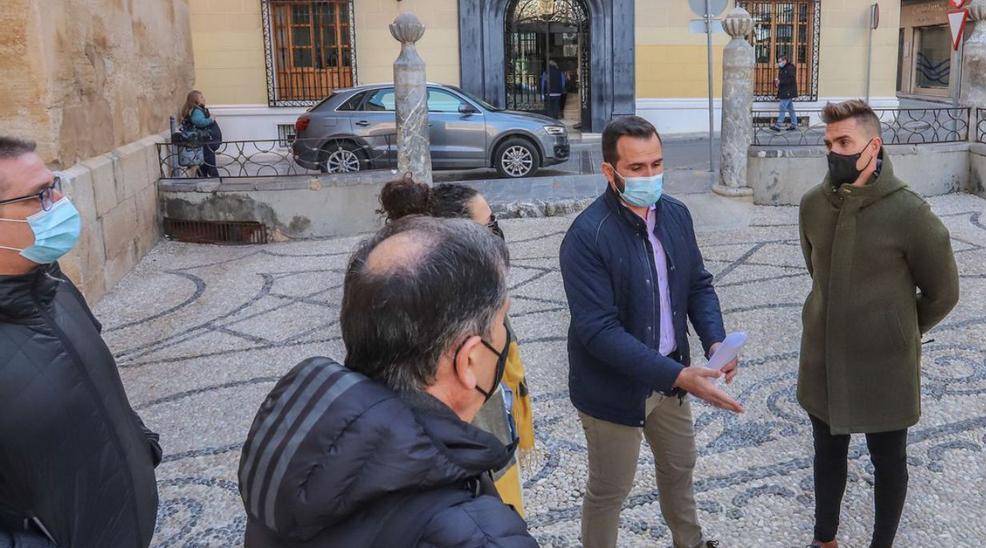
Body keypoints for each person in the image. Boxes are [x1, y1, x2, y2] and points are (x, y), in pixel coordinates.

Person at [238, 215, 537, 547]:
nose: (505, 337)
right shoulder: (478, 536)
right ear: (468, 359)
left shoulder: (297, 443)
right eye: (500, 320)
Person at [560, 115, 742, 548]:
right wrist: (679, 376)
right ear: (610, 172)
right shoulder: (587, 236)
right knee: (610, 490)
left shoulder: (676, 214)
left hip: (670, 379)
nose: (650, 176)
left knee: (680, 468)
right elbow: (597, 330)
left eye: (656, 164)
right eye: (637, 168)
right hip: (612, 389)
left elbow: (697, 284)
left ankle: (691, 542)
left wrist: (715, 340)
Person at [797, 100, 959, 548]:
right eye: (829, 143)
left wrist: (898, 329)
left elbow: (943, 292)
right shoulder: (813, 205)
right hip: (823, 361)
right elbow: (817, 271)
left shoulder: (911, 213)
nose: (834, 153)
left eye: (844, 142)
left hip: (884, 367)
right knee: (827, 456)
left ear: (874, 147)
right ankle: (823, 539)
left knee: (889, 461)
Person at [0, 136, 162, 547]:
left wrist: (141, 444)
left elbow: (94, 376)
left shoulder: (52, 281)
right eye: (39, 196)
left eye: (54, 186)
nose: (59, 202)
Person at [377, 176, 537, 517]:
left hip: (490, 441)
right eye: (488, 224)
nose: (497, 232)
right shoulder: (448, 316)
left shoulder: (474, 293)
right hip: (473, 459)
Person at [181, 90, 221, 178]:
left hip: (209, 140)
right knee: (210, 159)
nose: (204, 98)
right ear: (196, 101)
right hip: (207, 140)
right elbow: (198, 122)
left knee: (207, 158)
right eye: (201, 97)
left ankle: (202, 174)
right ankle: (216, 177)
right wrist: (211, 119)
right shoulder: (197, 111)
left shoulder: (200, 110)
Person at [771, 55, 799, 132]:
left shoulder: (790, 68)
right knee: (790, 109)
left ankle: (778, 126)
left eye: (780, 61)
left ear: (785, 60)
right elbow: (781, 80)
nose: (779, 63)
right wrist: (777, 82)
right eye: (778, 61)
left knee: (782, 108)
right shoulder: (781, 68)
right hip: (784, 91)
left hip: (788, 92)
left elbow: (792, 79)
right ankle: (794, 125)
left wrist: (781, 81)